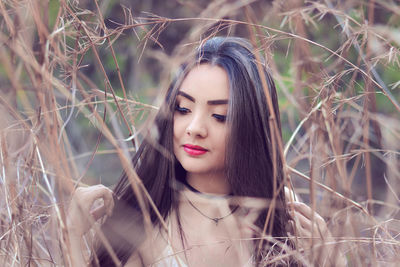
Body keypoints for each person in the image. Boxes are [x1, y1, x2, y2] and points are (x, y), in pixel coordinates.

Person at [67, 37, 344, 266]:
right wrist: (72, 242)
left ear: (251, 127)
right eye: (183, 109)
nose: (195, 128)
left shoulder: (283, 217)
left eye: (220, 116)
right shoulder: (143, 218)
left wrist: (330, 258)